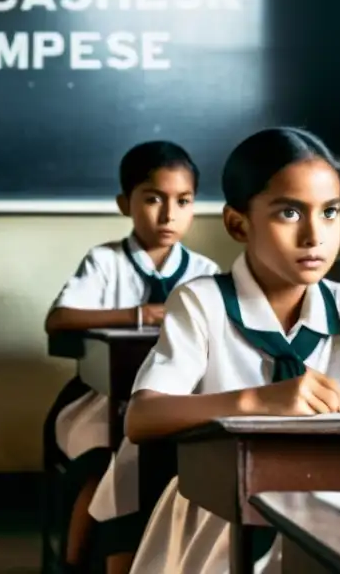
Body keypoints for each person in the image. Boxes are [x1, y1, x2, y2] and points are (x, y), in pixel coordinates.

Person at [126, 127, 340, 574]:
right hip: (222, 514)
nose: (314, 236)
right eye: (289, 213)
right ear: (237, 224)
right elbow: (142, 417)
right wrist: (258, 402)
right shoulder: (202, 303)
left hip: (333, 507)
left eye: (329, 212)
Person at [44, 141, 219, 572]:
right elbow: (60, 318)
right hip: (101, 398)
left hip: (174, 401)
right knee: (105, 459)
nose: (168, 214)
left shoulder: (206, 272)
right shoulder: (105, 261)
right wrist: (141, 314)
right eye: (153, 199)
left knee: (182, 458)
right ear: (126, 204)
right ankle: (74, 561)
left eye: (183, 201)